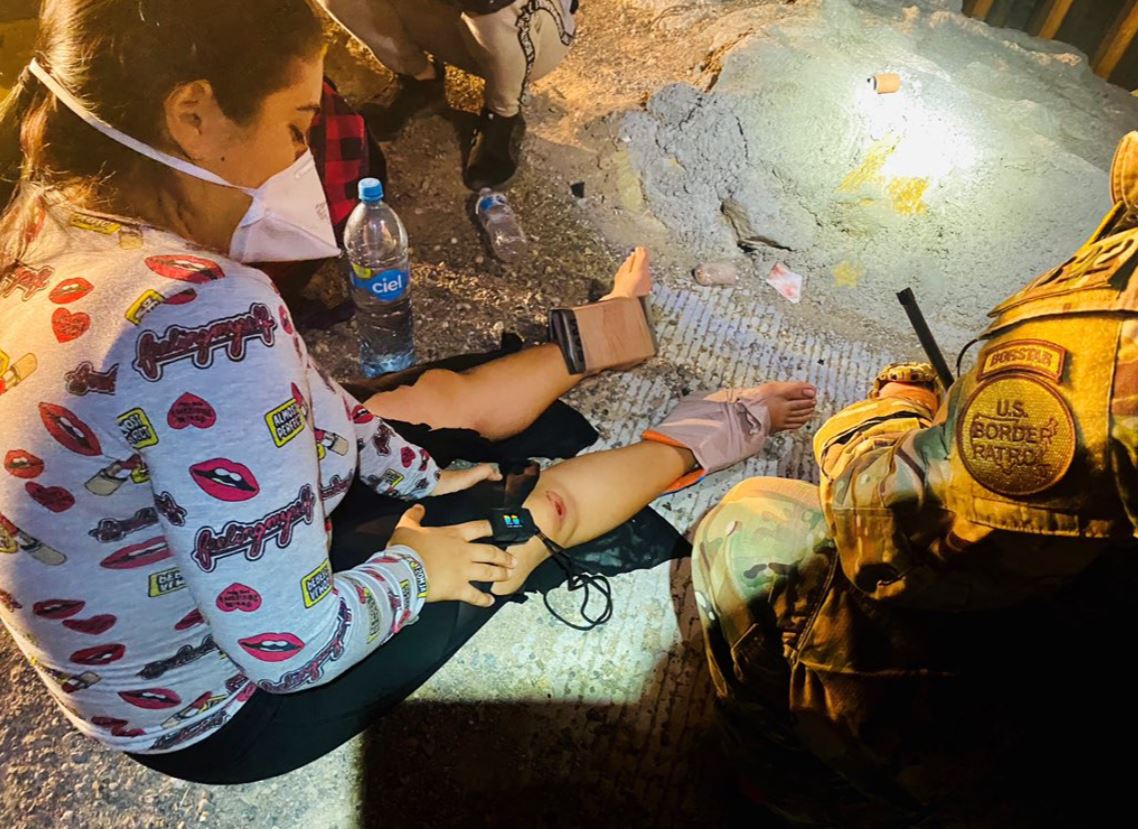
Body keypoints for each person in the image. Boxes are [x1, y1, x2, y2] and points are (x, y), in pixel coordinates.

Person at [0, 0, 816, 782]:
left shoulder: (43, 226)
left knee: (412, 410)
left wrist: (424, 475)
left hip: (155, 614)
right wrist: (417, 567)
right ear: (194, 114)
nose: (302, 163)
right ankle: (708, 434)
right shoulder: (201, 311)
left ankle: (602, 336)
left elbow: (324, 412)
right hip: (223, 708)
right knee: (513, 514)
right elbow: (292, 647)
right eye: (294, 128)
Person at [691, 133, 1138, 826]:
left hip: (1065, 723)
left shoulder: (1115, 337)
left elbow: (883, 533)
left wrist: (892, 415)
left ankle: (799, 791)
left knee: (755, 528)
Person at [317, 0, 578, 189]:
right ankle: (420, 82)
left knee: (492, 6)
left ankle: (503, 114)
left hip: (534, 29)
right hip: (447, 19)